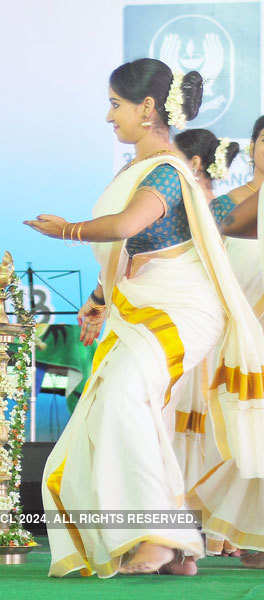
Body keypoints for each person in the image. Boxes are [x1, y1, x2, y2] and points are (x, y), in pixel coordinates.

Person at [25, 58, 264, 577]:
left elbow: (129, 224)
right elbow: (140, 248)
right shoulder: (142, 167)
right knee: (126, 410)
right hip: (144, 304)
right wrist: (99, 298)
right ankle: (172, 544)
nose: (110, 117)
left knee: (123, 402)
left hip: (177, 310)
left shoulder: (167, 169)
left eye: (116, 105)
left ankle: (156, 539)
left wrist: (66, 229)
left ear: (147, 107)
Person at [184, 118, 264, 568]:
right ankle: (235, 530)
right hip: (235, 338)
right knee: (239, 437)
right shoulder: (228, 209)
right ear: (252, 146)